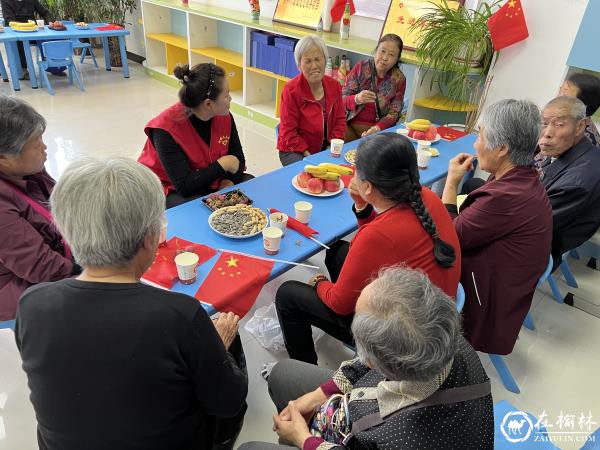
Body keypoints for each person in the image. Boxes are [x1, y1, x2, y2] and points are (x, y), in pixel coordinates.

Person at [15, 158, 248, 450]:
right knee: (231, 358)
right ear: (151, 239)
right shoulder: (179, 315)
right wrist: (218, 346)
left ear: (67, 233)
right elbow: (228, 402)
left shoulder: (32, 304)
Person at [240, 267, 494, 450]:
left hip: (372, 431)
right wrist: (320, 394)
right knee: (282, 373)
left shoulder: (399, 439)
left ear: (376, 364)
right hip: (369, 412)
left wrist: (304, 440)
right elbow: (370, 358)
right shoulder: (444, 337)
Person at [276, 133, 461, 364]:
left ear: (369, 186)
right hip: (433, 311)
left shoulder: (377, 236)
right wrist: (362, 204)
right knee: (337, 252)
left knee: (288, 295)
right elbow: (380, 240)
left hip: (405, 342)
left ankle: (304, 370)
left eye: (356, 172)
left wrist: (320, 282)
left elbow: (339, 303)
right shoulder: (426, 197)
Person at [441, 99, 553, 355]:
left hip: (485, 303)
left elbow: (448, 238)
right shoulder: (523, 176)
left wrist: (451, 183)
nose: (475, 143)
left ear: (502, 148)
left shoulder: (507, 197)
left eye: (480, 134)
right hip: (503, 284)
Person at [0, 96, 77, 321]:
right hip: (20, 287)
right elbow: (40, 266)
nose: (45, 148)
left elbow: (61, 202)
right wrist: (83, 271)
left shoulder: (26, 169)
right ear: (4, 156)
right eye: (36, 144)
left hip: (58, 257)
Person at [138, 63, 252, 208]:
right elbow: (185, 187)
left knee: (249, 187)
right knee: (198, 208)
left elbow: (238, 160)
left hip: (207, 177)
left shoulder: (223, 115)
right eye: (226, 94)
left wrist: (228, 182)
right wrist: (224, 164)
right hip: (170, 187)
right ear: (209, 104)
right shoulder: (165, 129)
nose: (230, 99)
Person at [538, 96, 600, 269]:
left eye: (559, 125)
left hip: (538, 251)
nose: (547, 132)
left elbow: (529, 223)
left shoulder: (577, 182)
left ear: (580, 126)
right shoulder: (577, 150)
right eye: (544, 123)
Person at [277, 35, 346, 166]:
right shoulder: (291, 91)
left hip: (325, 148)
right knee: (310, 175)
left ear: (325, 61)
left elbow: (340, 121)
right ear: (299, 65)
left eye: (317, 59)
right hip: (295, 149)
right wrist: (309, 155)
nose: (314, 66)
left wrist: (330, 147)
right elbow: (288, 133)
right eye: (308, 61)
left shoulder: (334, 86)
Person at [342, 33, 406, 141]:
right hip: (349, 126)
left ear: (397, 59)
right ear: (376, 51)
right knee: (336, 132)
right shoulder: (361, 68)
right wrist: (357, 98)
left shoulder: (399, 79)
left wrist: (377, 128)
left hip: (376, 132)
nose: (385, 58)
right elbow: (341, 100)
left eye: (391, 55)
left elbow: (394, 114)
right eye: (382, 51)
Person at [0, 0, 64, 80]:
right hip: (15, 30)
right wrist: (23, 27)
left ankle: (54, 66)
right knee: (19, 42)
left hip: (33, 31)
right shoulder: (5, 1)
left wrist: (51, 22)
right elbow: (9, 19)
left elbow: (45, 12)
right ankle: (22, 69)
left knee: (49, 37)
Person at [559, 73, 600, 146]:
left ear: (582, 106)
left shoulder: (580, 139)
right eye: (561, 89)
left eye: (565, 90)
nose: (560, 94)